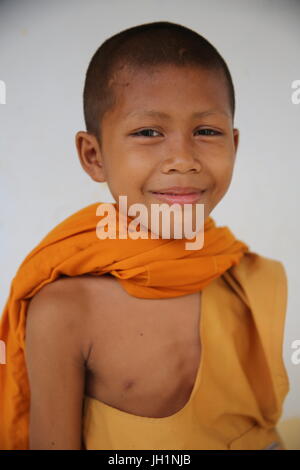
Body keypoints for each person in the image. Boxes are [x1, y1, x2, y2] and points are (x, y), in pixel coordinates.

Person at [0, 21, 289, 450]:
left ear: (234, 143)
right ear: (93, 155)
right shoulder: (64, 311)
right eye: (148, 132)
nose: (182, 159)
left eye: (206, 132)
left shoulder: (252, 276)